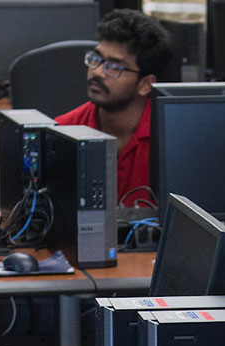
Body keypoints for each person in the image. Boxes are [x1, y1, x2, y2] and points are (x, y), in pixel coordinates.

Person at [53, 9, 173, 205]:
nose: (98, 72)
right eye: (96, 59)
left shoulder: (169, 140)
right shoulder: (64, 129)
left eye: (115, 67)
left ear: (145, 84)